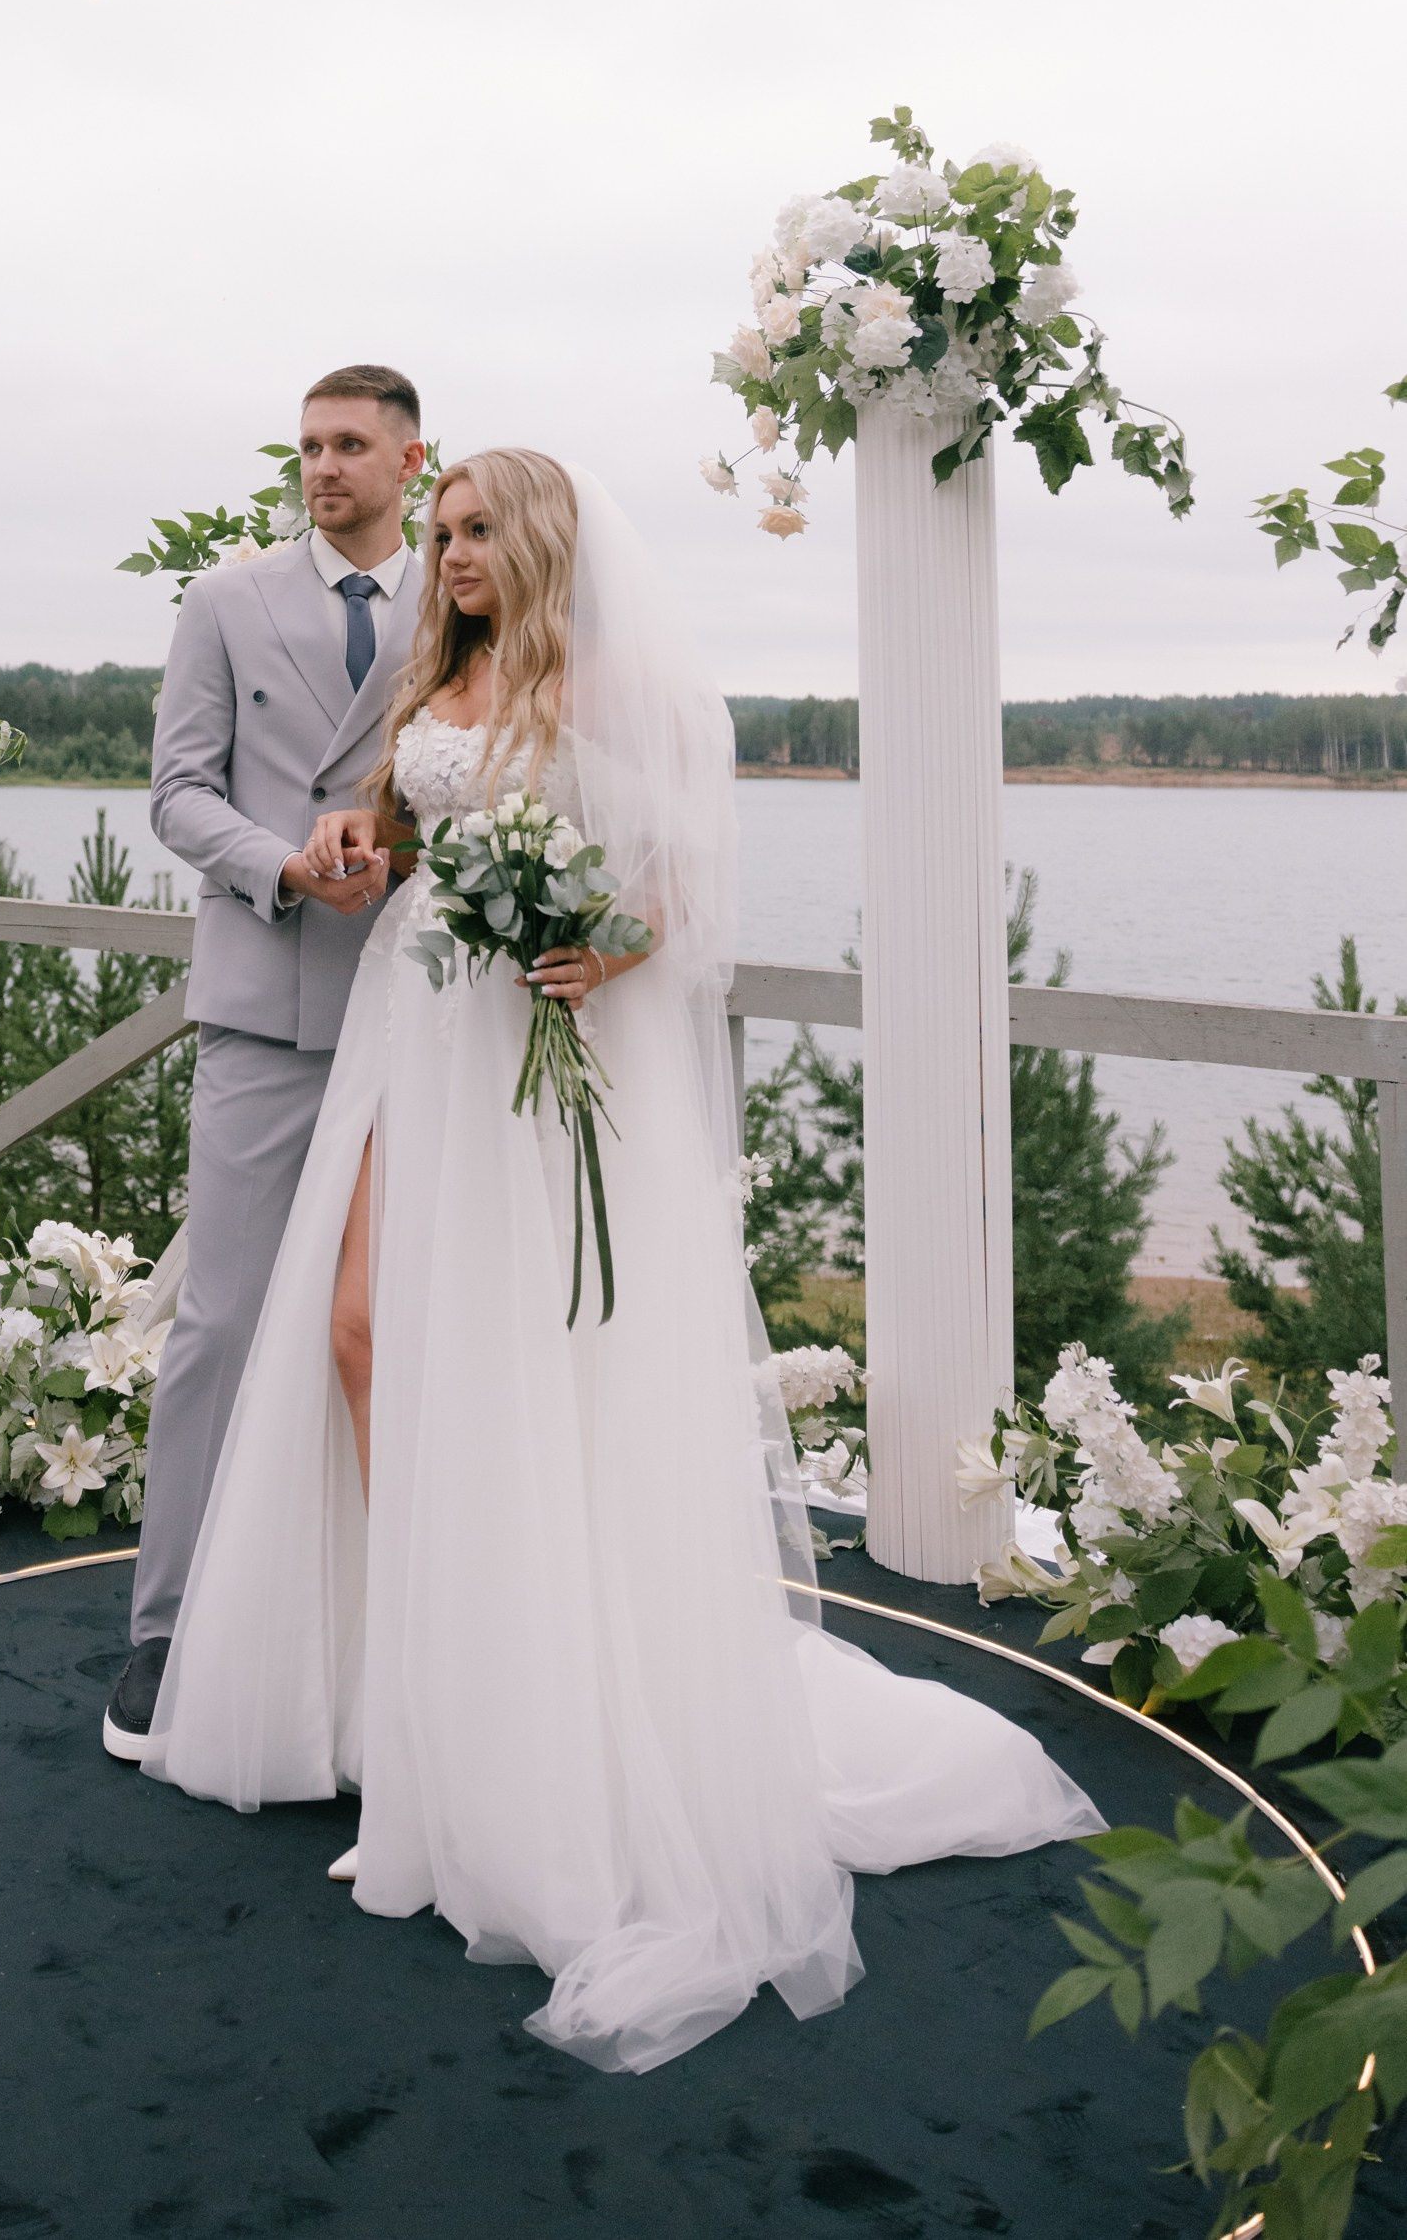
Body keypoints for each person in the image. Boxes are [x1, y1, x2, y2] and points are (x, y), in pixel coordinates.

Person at [140, 450, 1101, 2073]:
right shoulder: (434, 675)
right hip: (410, 1034)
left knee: (507, 1372)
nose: (443, 555)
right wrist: (361, 854)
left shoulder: (607, 682)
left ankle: (502, 1723)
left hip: (524, 1058)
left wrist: (610, 944)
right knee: (362, 1335)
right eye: (432, 531)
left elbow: (673, 882)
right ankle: (405, 1691)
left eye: (466, 532)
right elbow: (393, 831)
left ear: (531, 541)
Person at [102, 365, 426, 1760]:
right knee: (222, 1324)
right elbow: (177, 791)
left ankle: (401, 1628)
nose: (321, 468)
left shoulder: (462, 596)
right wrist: (280, 866)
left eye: (349, 445)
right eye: (306, 447)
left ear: (414, 458)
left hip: (426, 1010)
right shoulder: (225, 602)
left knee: (403, 1326)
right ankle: (164, 1630)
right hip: (269, 1005)